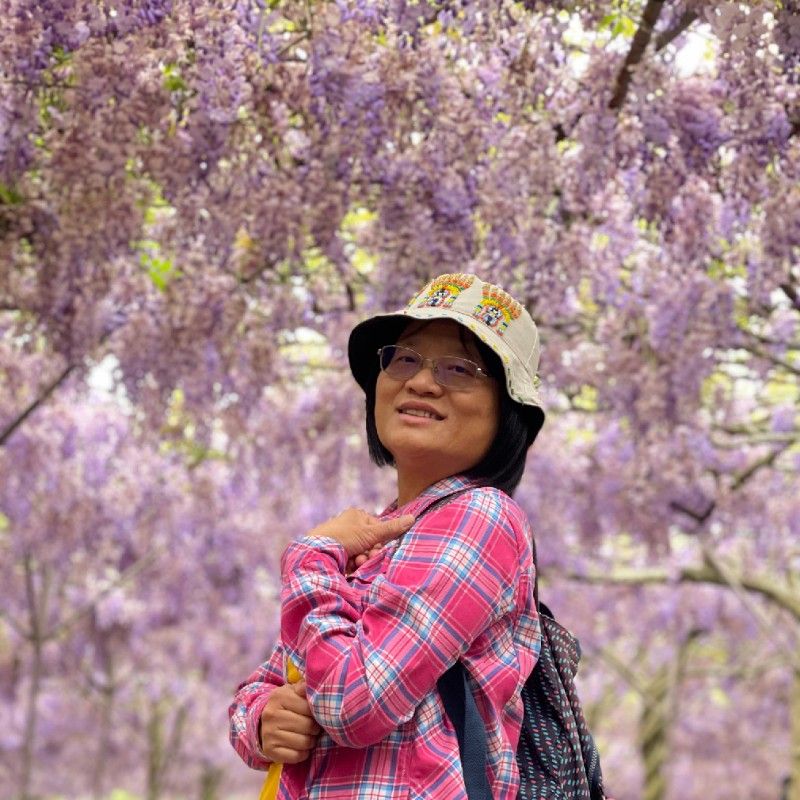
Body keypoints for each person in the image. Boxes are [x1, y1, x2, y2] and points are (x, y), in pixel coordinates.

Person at [229, 273, 546, 799]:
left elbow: (354, 702)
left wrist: (310, 556)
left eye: (460, 368)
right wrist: (263, 720)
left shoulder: (481, 518)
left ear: (506, 410)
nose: (421, 382)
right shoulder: (368, 541)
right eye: (405, 359)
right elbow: (272, 679)